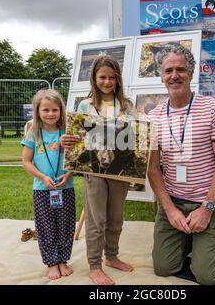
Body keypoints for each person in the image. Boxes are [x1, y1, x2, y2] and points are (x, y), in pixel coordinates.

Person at [147, 45, 215, 285]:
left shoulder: (214, 108)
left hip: (209, 201)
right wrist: (170, 210)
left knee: (207, 277)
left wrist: (206, 208)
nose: (174, 75)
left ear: (191, 73)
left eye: (181, 69)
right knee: (163, 268)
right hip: (174, 201)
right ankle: (191, 237)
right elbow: (153, 169)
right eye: (168, 71)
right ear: (161, 76)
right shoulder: (153, 117)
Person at [61, 55, 136, 285]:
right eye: (102, 77)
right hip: (93, 169)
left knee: (116, 217)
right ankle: (95, 265)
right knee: (96, 218)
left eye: (112, 77)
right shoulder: (85, 105)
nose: (107, 82)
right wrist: (67, 140)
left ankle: (111, 256)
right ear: (94, 78)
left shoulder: (127, 104)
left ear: (118, 79)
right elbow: (76, 136)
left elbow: (133, 136)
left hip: (118, 170)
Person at [21, 89, 75, 280]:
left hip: (65, 188)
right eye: (46, 110)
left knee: (66, 226)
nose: (51, 114)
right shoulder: (33, 133)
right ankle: (52, 262)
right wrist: (42, 177)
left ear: (61, 110)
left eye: (55, 110)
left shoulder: (68, 132)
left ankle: (63, 260)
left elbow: (77, 158)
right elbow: (26, 161)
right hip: (42, 190)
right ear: (37, 111)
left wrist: (68, 175)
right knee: (46, 227)